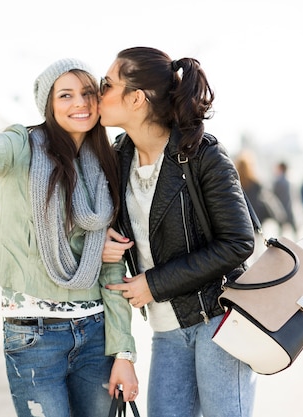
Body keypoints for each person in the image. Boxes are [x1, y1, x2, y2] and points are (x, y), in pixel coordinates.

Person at [0, 58, 138, 417]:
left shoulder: (103, 161)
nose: (80, 104)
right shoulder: (19, 144)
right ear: (48, 104)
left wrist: (124, 352)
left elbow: (112, 266)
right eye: (66, 95)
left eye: (88, 93)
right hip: (33, 336)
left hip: (95, 333)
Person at [98, 47, 257, 416]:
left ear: (136, 98)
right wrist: (101, 238)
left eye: (107, 84)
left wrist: (154, 283)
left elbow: (238, 242)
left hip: (218, 320)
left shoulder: (203, 154)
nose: (97, 92)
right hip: (165, 331)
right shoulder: (117, 157)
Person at [272, 161, 297, 237]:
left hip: (280, 209)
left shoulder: (278, 181)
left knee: (280, 233)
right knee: (295, 232)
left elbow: (273, 196)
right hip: (290, 208)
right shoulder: (290, 181)